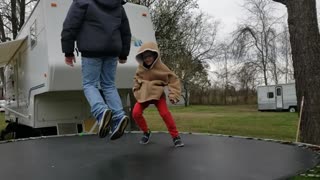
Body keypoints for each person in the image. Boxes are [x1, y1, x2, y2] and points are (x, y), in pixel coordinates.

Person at [61, 0, 131, 140]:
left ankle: (101, 111)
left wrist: (68, 51)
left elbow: (70, 25)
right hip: (112, 50)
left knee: (90, 84)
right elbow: (125, 31)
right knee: (109, 85)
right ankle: (119, 116)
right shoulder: (117, 4)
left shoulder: (82, 2)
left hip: (91, 49)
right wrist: (124, 53)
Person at [132, 42, 184, 147]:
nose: (147, 59)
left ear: (155, 55)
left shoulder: (161, 67)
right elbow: (136, 79)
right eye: (145, 57)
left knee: (165, 114)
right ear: (142, 58)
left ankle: (175, 137)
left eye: (150, 56)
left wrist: (173, 95)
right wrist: (136, 90)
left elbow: (173, 79)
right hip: (144, 94)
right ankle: (146, 132)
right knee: (135, 113)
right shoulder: (140, 68)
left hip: (158, 95)